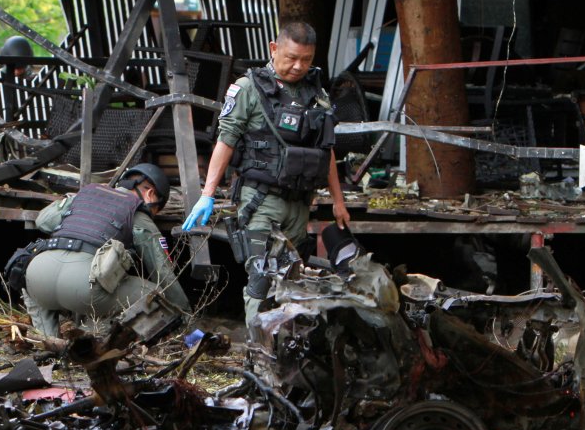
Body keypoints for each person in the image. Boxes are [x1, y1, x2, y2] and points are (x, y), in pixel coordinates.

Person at [181, 21, 350, 325]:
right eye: (291, 58)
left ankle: (285, 352)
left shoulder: (316, 93)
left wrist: (338, 201)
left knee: (293, 278)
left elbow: (327, 151)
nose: (298, 66)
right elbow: (226, 140)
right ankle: (258, 357)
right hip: (260, 200)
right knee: (261, 277)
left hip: (299, 203)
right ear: (274, 49)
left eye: (306, 60)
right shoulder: (249, 88)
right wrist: (207, 195)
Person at [23, 163, 191, 337]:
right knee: (153, 294)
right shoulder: (137, 214)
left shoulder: (83, 196)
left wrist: (74, 202)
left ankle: (47, 342)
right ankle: (89, 338)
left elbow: (43, 221)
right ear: (150, 194)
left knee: (33, 283)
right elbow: (162, 273)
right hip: (81, 288)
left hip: (37, 278)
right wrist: (186, 318)